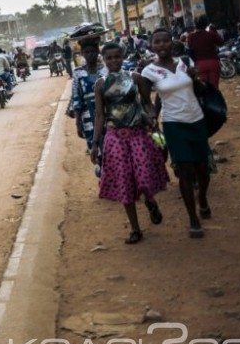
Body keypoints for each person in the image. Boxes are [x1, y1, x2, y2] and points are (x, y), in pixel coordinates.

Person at [89, 42, 167, 244]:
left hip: (138, 134)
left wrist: (152, 119)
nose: (113, 61)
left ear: (122, 57)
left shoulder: (135, 78)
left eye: (117, 56)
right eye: (109, 58)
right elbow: (99, 115)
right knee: (124, 183)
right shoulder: (101, 84)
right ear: (104, 60)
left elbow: (147, 102)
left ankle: (150, 201)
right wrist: (95, 143)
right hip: (115, 138)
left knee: (143, 176)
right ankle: (135, 229)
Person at [141, 28, 212, 239]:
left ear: (172, 43)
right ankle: (193, 219)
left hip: (196, 120)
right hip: (173, 124)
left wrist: (195, 78)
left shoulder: (185, 62)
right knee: (185, 170)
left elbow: (201, 91)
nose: (162, 45)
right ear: (151, 46)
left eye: (165, 41)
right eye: (157, 42)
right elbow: (146, 100)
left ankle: (203, 198)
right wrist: (151, 116)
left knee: (202, 168)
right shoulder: (149, 72)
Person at [68, 38, 105, 170]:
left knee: (111, 145)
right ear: (82, 53)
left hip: (107, 113)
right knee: (95, 147)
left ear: (98, 51)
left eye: (93, 51)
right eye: (87, 52)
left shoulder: (105, 70)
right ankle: (103, 172)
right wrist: (78, 123)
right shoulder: (78, 73)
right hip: (88, 116)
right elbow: (77, 98)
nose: (90, 55)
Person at [184, 15, 224, 87]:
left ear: (195, 25)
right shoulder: (211, 34)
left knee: (204, 87)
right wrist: (214, 31)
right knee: (214, 87)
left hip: (199, 64)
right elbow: (221, 43)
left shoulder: (191, 36)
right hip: (213, 62)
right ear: (206, 24)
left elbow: (189, 48)